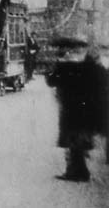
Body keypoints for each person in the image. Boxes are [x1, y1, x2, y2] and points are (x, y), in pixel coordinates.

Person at [46, 47, 108, 182]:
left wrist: (53, 68)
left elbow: (51, 81)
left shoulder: (65, 67)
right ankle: (80, 169)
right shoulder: (94, 68)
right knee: (81, 136)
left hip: (71, 110)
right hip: (88, 109)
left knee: (73, 139)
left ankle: (76, 171)